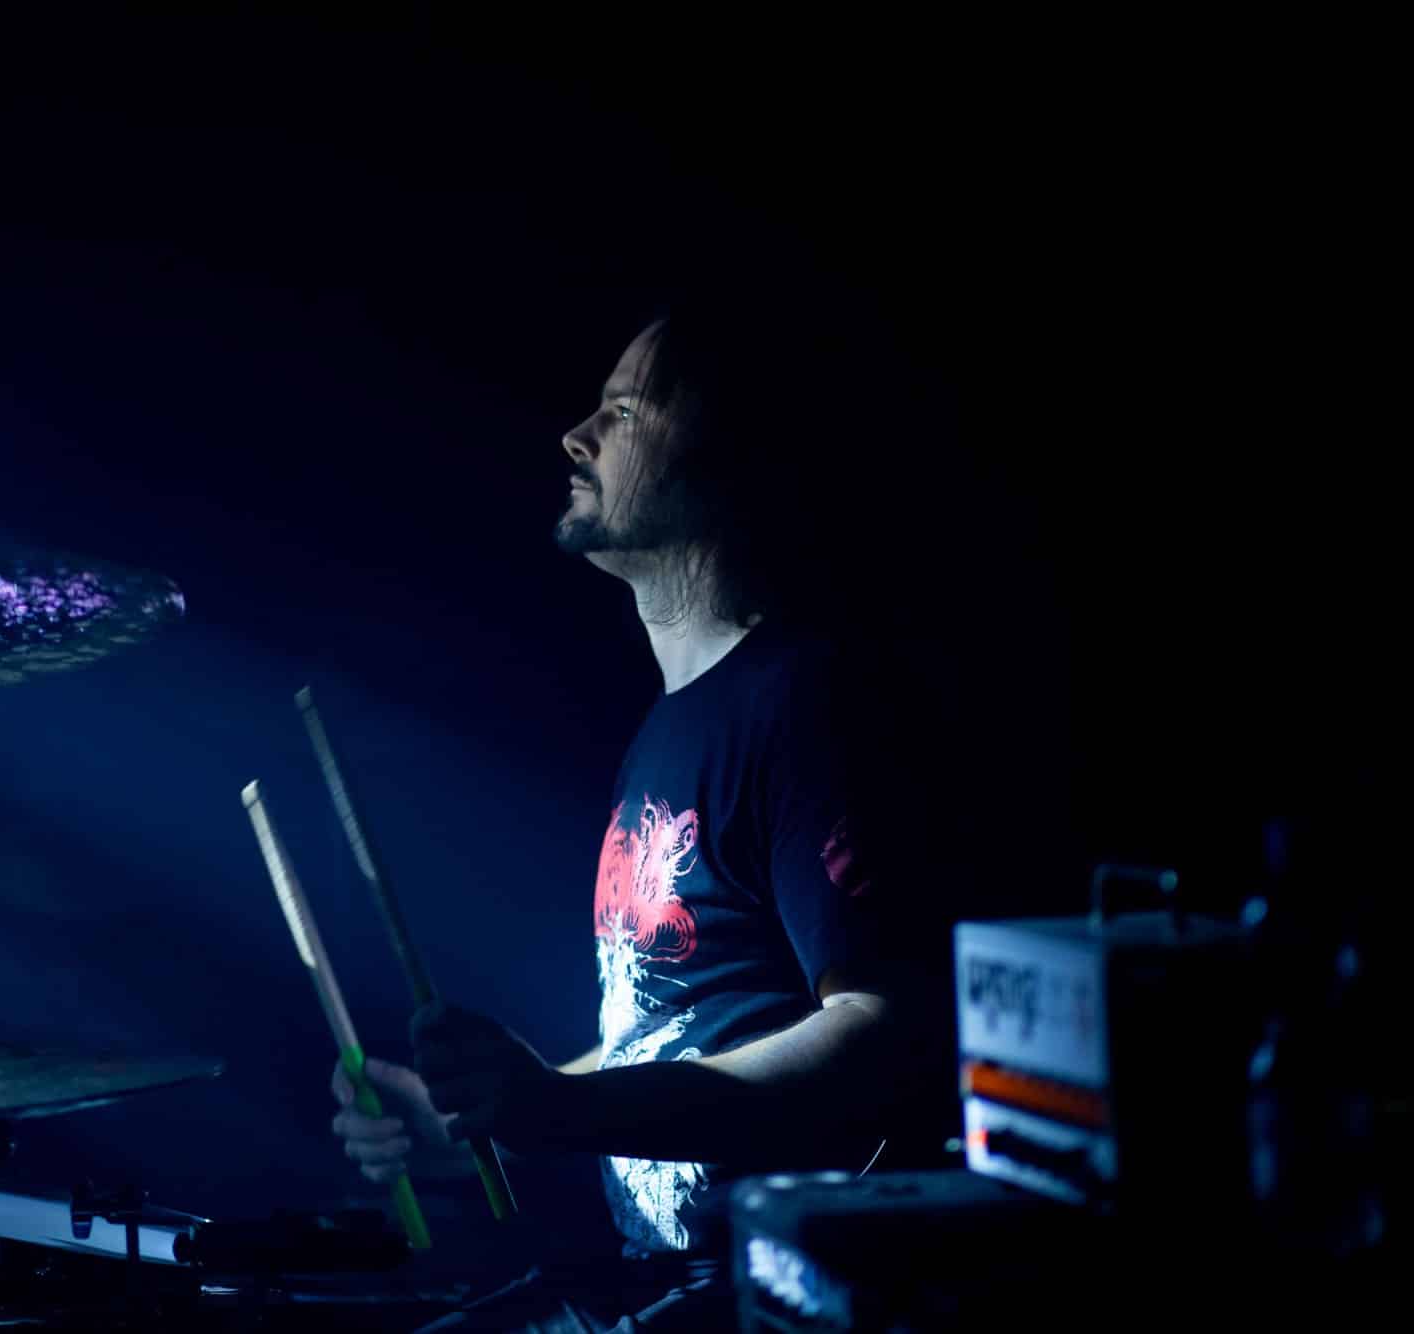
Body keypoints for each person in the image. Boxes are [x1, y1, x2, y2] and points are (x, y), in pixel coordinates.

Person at [332, 282, 984, 1331]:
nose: (576, 434)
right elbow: (669, 1025)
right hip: (657, 1281)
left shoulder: (803, 704)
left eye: (625, 410)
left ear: (725, 454)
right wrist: (475, 1119)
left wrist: (563, 1108)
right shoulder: (668, 729)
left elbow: (877, 1030)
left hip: (766, 1293)